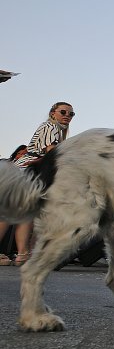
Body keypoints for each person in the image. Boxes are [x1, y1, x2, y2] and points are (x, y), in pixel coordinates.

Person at [1, 102, 75, 265]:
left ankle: (23, 255)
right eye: (63, 112)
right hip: (27, 171)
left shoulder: (55, 130)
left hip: (26, 172)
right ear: (52, 113)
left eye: (71, 114)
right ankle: (23, 254)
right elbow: (52, 152)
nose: (67, 116)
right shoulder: (50, 126)